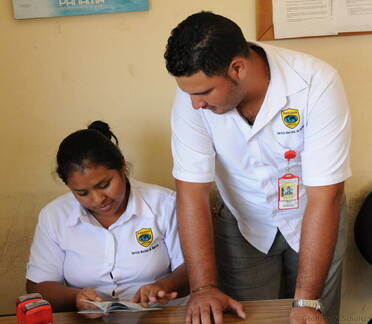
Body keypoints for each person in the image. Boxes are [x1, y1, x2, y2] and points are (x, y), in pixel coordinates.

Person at [164, 11, 351, 324]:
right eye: (190, 94)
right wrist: (204, 287)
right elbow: (191, 194)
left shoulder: (316, 83)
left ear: (237, 68)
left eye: (205, 93)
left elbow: (325, 196)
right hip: (240, 218)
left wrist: (306, 301)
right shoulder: (191, 97)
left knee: (313, 315)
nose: (196, 104)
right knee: (247, 318)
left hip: (315, 213)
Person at [26, 121, 189, 316]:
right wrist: (75, 297)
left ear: (122, 166)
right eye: (82, 193)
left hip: (160, 316)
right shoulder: (54, 216)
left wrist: (161, 287)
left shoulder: (165, 204)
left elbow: (191, 269)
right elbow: (38, 287)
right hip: (90, 320)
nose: (98, 199)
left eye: (104, 185)